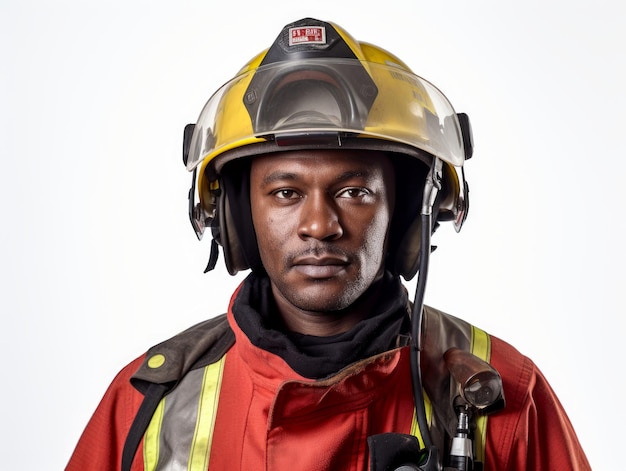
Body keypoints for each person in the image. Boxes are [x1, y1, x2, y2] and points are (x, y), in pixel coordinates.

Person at [66, 18, 590, 471]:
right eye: (286, 192)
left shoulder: (506, 396)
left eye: (354, 191)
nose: (319, 225)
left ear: (411, 212)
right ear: (236, 215)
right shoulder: (149, 403)